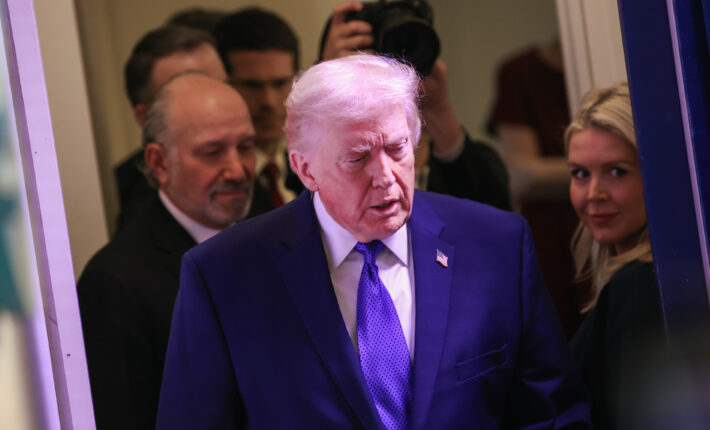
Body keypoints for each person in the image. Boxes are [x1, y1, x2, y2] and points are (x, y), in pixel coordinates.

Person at [156, 54, 589, 429]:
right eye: (357, 158)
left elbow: (552, 414)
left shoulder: (496, 245)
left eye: (397, 149)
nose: (385, 176)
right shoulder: (223, 277)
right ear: (305, 170)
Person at [78, 73, 255, 430]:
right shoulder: (114, 283)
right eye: (212, 152)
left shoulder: (273, 237)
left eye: (246, 147)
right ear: (159, 162)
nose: (237, 170)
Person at [319, 1, 511, 211]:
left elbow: (498, 218)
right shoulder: (309, 165)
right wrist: (325, 90)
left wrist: (439, 112)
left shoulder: (470, 161)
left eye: (408, 44)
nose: (393, 59)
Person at [566, 83, 665, 429]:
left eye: (617, 172)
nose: (594, 194)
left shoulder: (639, 285)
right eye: (580, 174)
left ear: (655, 174)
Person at [486, 41, 585, 337]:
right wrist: (608, 168)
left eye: (616, 171)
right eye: (586, 173)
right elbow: (522, 176)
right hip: (552, 237)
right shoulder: (521, 72)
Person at [116, 25, 227, 229]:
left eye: (224, 89)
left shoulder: (253, 176)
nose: (216, 105)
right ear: (145, 117)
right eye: (193, 96)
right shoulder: (130, 205)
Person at [215, 7, 304, 212]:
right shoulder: (213, 183)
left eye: (280, 83)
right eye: (252, 86)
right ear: (222, 85)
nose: (269, 102)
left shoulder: (309, 168)